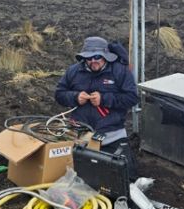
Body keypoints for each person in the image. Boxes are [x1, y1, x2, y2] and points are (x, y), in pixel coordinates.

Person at [55, 36, 139, 175]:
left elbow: (131, 98)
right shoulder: (74, 71)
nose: (93, 61)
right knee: (76, 176)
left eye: (97, 57)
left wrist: (104, 99)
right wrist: (75, 97)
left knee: (126, 176)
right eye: (88, 58)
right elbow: (59, 94)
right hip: (80, 136)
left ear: (106, 55)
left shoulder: (119, 71)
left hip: (112, 134)